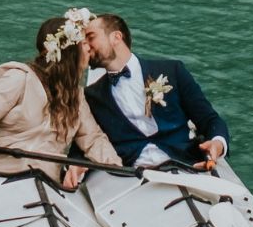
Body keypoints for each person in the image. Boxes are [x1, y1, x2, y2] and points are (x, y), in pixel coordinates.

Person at [0, 10, 123, 190]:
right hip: (0, 174)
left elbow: (93, 139)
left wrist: (117, 169)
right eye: (84, 43)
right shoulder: (19, 79)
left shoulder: (76, 96)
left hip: (48, 183)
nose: (90, 48)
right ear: (68, 50)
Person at [83, 13, 230, 171]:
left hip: (185, 165)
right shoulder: (92, 95)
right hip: (130, 177)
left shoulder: (172, 71)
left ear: (116, 37)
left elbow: (209, 119)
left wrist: (218, 143)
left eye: (90, 37)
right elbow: (85, 142)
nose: (85, 45)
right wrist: (77, 167)